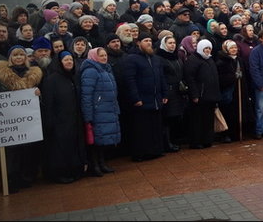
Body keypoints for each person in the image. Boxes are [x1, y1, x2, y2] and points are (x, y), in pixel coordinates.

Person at [0, 46, 42, 192]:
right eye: (15, 55)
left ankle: (23, 178)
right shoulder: (1, 76)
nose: (19, 57)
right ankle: (9, 180)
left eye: (21, 55)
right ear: (10, 58)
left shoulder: (32, 74)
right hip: (9, 121)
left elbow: (37, 100)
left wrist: (38, 93)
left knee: (25, 151)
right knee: (11, 153)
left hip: (26, 122)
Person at [40, 51, 87, 183]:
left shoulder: (74, 76)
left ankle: (74, 170)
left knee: (73, 145)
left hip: (74, 119)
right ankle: (61, 173)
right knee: (60, 148)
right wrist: (50, 121)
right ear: (59, 62)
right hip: (59, 121)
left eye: (71, 60)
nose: (69, 62)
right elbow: (48, 103)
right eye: (66, 60)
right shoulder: (52, 79)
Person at [123, 34, 169, 161]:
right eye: (146, 41)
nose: (149, 43)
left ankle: (156, 150)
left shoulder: (156, 59)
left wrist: (165, 93)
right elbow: (130, 80)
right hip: (141, 99)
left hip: (156, 98)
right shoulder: (132, 59)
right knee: (141, 128)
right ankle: (141, 153)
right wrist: (135, 98)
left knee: (155, 126)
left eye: (150, 40)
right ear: (138, 43)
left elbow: (161, 77)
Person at [80, 47, 120, 177]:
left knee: (101, 140)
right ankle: (95, 166)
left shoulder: (106, 69)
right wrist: (88, 116)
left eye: (105, 55)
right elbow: (86, 96)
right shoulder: (90, 71)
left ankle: (102, 163)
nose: (104, 57)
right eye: (101, 56)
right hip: (97, 112)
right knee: (94, 141)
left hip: (107, 110)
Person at [183, 39, 221, 148]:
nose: (208, 51)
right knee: (197, 120)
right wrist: (194, 95)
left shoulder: (210, 59)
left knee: (208, 119)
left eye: (209, 48)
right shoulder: (193, 60)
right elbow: (190, 79)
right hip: (199, 96)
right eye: (205, 49)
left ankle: (207, 139)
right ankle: (196, 141)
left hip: (210, 96)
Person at [216, 40, 253, 142]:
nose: (234, 50)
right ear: (226, 49)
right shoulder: (221, 62)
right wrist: (233, 77)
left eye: (235, 48)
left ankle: (238, 133)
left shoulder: (239, 60)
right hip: (229, 92)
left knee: (238, 113)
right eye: (231, 48)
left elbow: (245, 76)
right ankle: (227, 134)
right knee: (229, 113)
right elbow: (221, 78)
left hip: (240, 90)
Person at [155, 35, 186, 151]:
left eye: (174, 43)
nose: (172, 45)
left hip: (178, 91)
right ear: (164, 44)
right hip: (168, 91)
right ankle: (167, 143)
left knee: (175, 118)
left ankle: (173, 140)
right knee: (167, 118)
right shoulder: (160, 58)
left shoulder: (177, 56)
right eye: (170, 43)